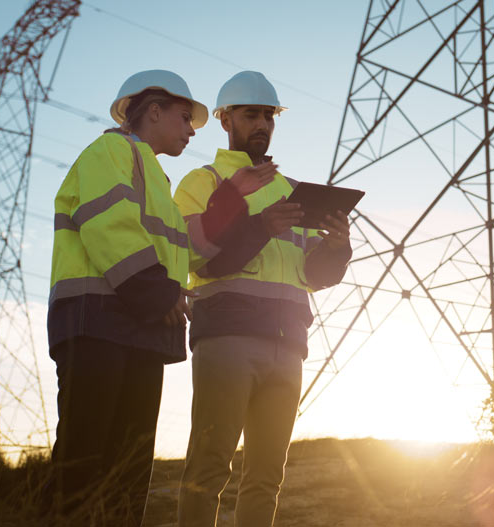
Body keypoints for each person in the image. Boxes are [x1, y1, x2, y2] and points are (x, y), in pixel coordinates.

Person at [174, 71, 353, 527]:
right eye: (251, 114)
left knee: (268, 477)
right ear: (225, 121)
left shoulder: (292, 190)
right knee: (209, 467)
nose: (262, 124)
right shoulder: (202, 182)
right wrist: (260, 227)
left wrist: (337, 248)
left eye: (268, 116)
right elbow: (196, 257)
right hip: (227, 341)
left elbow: (313, 274)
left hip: (288, 345)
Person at [45, 69, 207, 526]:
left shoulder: (155, 177)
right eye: (184, 116)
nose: (192, 129)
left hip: (140, 327)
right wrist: (160, 293)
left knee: (129, 470)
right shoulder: (109, 151)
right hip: (97, 323)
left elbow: (179, 255)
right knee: (84, 463)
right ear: (152, 111)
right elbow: (109, 224)